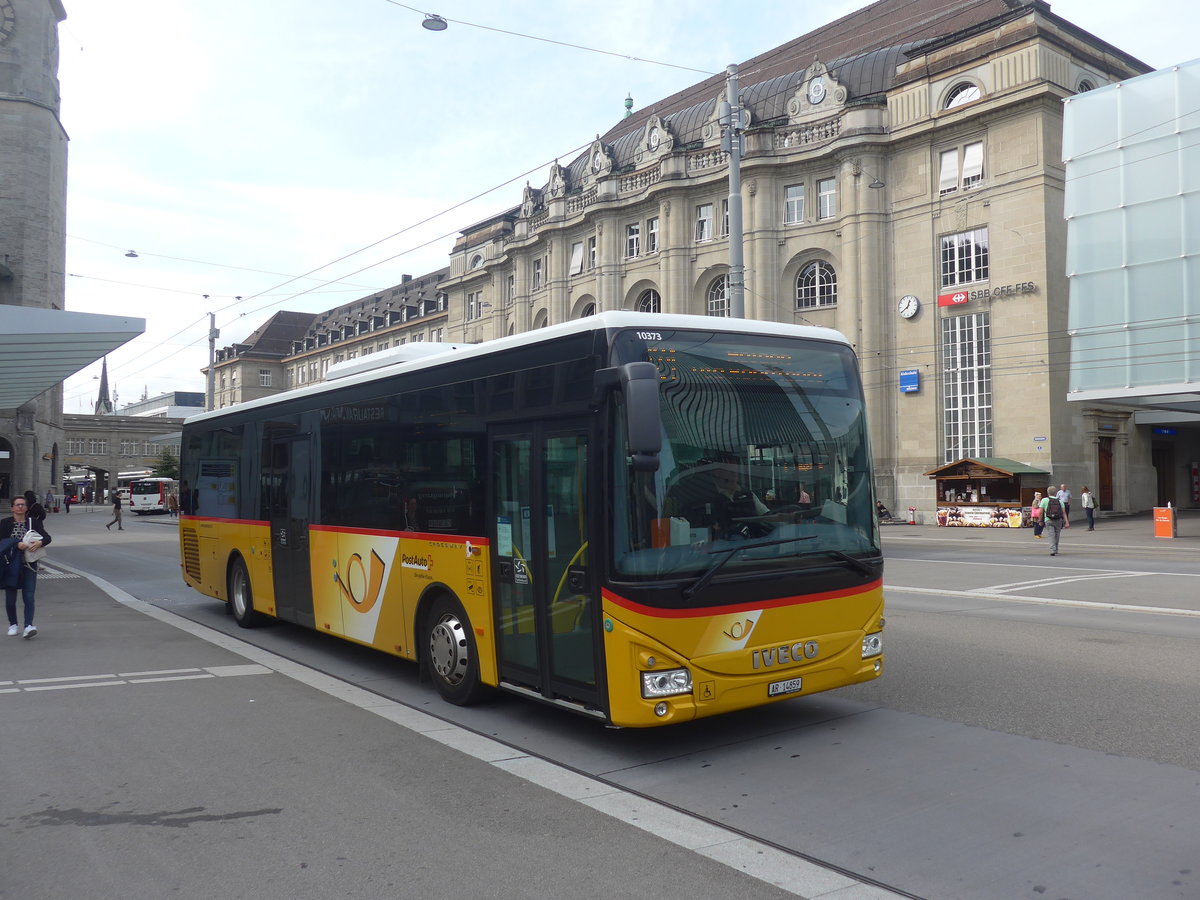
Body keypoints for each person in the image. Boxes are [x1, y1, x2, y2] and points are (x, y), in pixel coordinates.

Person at [2, 495, 51, 639]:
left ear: (26, 508)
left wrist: (40, 543)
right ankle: (13, 624)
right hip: (10, 565)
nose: (20, 507)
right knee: (10, 597)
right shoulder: (4, 523)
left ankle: (28, 626)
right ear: (12, 508)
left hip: (29, 564)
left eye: (23, 505)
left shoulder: (33, 522)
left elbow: (47, 537)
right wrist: (16, 544)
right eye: (17, 505)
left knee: (28, 596)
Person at [1040, 484, 1065, 556]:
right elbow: (1063, 512)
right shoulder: (1060, 501)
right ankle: (1056, 549)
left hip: (1048, 519)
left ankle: (1052, 550)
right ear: (1055, 492)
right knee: (1057, 535)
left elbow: (1041, 512)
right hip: (1058, 520)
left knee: (1051, 535)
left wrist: (1040, 520)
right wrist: (1066, 522)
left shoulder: (1044, 500)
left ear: (1048, 492)